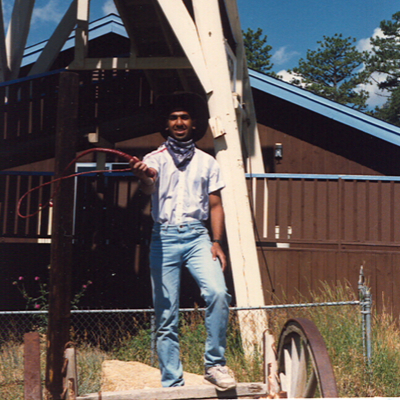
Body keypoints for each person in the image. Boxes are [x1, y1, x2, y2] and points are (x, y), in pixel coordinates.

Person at [130, 92, 236, 391]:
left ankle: (215, 364)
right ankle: (173, 384)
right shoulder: (153, 160)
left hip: (197, 237)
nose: (179, 122)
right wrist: (143, 177)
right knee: (166, 314)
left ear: (193, 124)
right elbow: (148, 185)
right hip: (163, 238)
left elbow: (215, 205)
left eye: (185, 117)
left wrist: (216, 241)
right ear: (167, 124)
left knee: (217, 292)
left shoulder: (208, 163)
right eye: (174, 117)